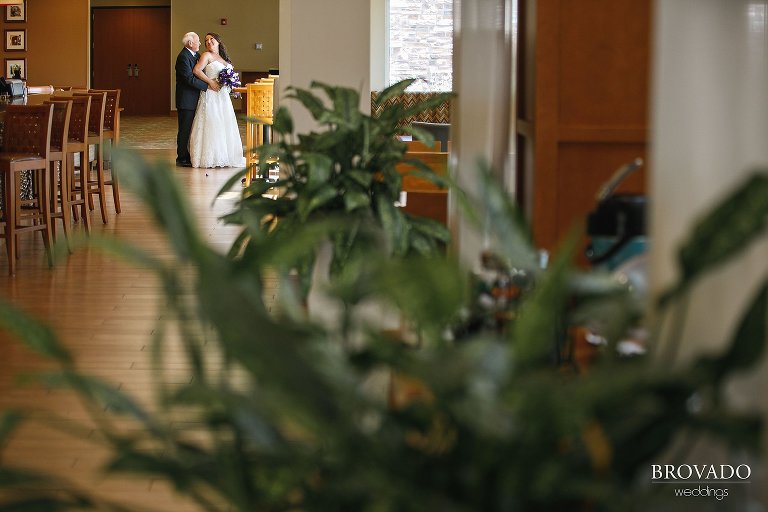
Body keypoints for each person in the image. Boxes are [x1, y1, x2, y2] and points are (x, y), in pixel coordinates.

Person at [188, 33, 246, 168]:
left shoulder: (224, 58)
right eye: (206, 40)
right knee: (212, 122)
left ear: (218, 41)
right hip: (211, 94)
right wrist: (210, 82)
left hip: (223, 97)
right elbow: (196, 70)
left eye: (211, 39)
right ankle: (211, 157)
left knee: (224, 123)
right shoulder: (206, 56)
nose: (208, 42)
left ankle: (225, 155)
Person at [175, 32, 217, 167]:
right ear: (190, 43)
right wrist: (208, 86)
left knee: (193, 129)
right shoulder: (183, 57)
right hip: (186, 100)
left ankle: (190, 154)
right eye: (198, 41)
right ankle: (181, 158)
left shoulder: (196, 55)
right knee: (185, 129)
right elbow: (189, 79)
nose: (200, 44)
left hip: (196, 98)